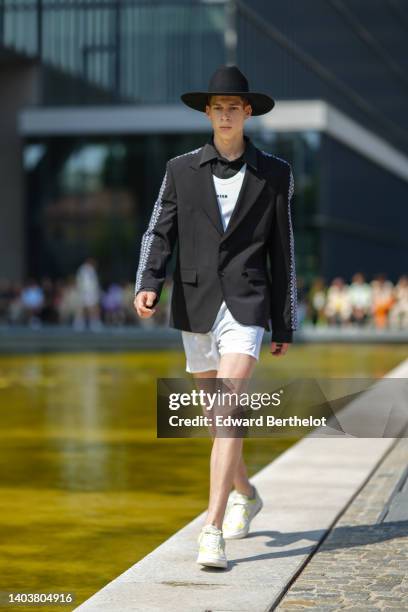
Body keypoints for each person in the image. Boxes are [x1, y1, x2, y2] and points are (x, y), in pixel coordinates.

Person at [133, 65, 297, 569]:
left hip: (246, 302)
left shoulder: (276, 173)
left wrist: (283, 320)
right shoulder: (180, 169)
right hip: (195, 302)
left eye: (234, 107)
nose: (225, 114)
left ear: (247, 113)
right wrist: (147, 282)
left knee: (227, 409)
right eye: (217, 107)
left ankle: (212, 529)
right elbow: (159, 232)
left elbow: (283, 249)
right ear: (208, 113)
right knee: (214, 417)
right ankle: (246, 490)